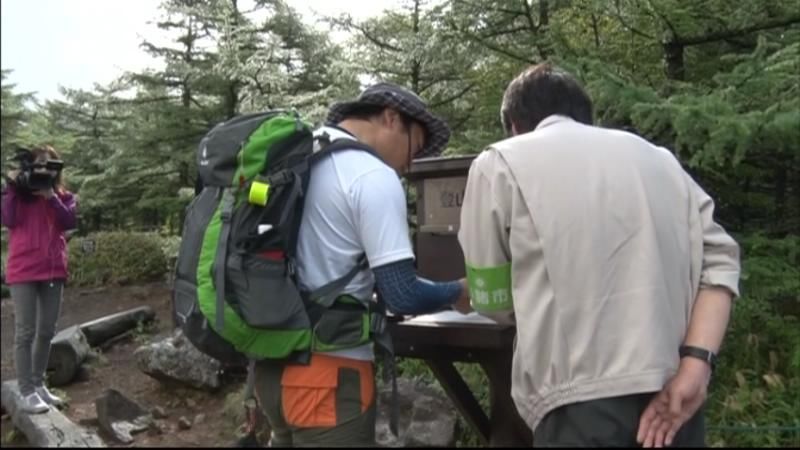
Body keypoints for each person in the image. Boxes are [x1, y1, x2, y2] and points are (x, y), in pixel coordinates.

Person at [457, 63, 740, 447]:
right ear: (586, 116)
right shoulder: (662, 162)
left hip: (574, 404)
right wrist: (696, 363)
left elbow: (492, 300)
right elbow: (721, 262)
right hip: (675, 396)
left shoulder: (500, 162)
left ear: (514, 125)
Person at [252, 83, 472, 447]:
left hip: (270, 372)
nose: (409, 165)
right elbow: (401, 293)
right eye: (414, 148)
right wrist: (456, 293)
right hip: (329, 377)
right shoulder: (371, 175)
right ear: (391, 117)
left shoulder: (298, 154)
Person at [1, 145, 78, 414]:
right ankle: (25, 391)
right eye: (39, 163)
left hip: (53, 270)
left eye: (49, 163)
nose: (44, 168)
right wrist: (11, 187)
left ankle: (38, 384)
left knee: (46, 330)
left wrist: (51, 197)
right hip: (23, 270)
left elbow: (69, 222)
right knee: (25, 331)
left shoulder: (64, 196)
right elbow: (8, 219)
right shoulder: (18, 195)